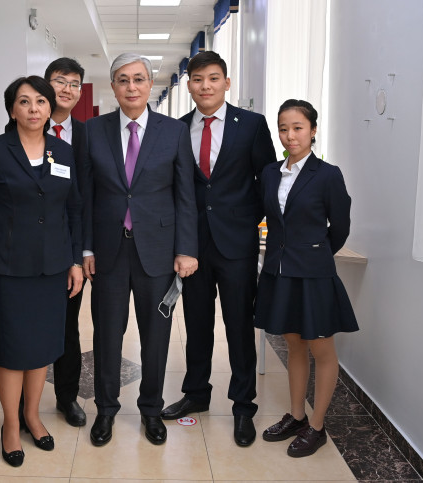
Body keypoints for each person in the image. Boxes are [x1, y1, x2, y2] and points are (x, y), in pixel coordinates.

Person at [161, 51, 277, 447]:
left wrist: (246, 221)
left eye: (213, 78)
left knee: (239, 326)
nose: (205, 85)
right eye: (198, 79)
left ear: (227, 83)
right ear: (189, 85)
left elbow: (266, 180)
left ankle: (243, 405)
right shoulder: (177, 129)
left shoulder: (252, 125)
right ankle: (196, 393)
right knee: (196, 324)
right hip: (192, 246)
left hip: (236, 244)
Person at [82, 53, 198, 446]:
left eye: (138, 79)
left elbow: (185, 195)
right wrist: (86, 249)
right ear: (113, 86)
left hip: (158, 251)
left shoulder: (174, 131)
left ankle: (151, 410)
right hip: (108, 251)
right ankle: (106, 409)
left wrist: (186, 249)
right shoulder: (93, 130)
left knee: (156, 335)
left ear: (150, 84)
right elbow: (85, 196)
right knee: (107, 335)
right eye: (123, 80)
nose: (131, 87)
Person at [0, 76, 83, 467]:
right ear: (12, 109)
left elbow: (74, 210)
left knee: (42, 349)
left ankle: (33, 415)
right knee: (12, 351)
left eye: (40, 102)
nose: (34, 109)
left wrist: (74, 261)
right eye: (24, 101)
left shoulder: (63, 152)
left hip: (52, 267)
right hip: (7, 268)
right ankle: (11, 425)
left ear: (50, 108)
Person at [255, 99, 358, 457]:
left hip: (313, 274)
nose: (290, 135)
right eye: (283, 128)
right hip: (280, 272)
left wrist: (315, 253)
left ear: (313, 131)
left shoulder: (328, 174)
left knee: (321, 349)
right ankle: (297, 415)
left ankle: (317, 426)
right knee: (293, 344)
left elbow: (340, 228)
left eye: (298, 128)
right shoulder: (271, 173)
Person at [32, 57, 87, 427]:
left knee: (68, 327)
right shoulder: (23, 126)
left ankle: (67, 397)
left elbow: (85, 200)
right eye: (59, 81)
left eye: (74, 83)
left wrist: (80, 255)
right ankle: (25, 404)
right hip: (25, 248)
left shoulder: (88, 135)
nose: (67, 89)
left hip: (68, 246)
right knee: (29, 327)